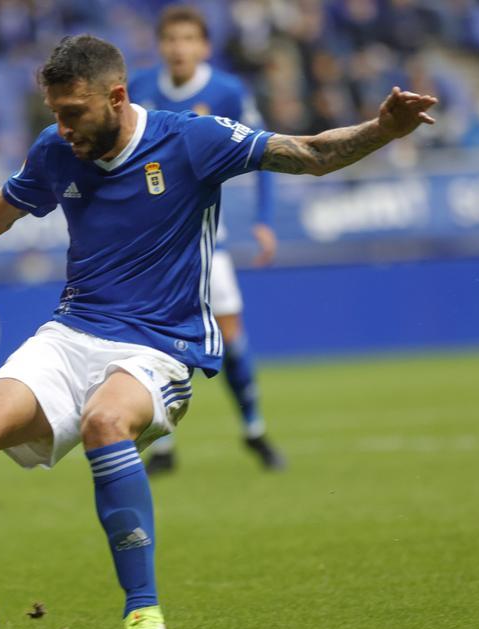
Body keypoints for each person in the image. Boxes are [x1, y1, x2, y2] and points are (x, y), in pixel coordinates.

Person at [0, 35, 436, 629]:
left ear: (117, 95)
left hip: (161, 345)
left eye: (73, 113)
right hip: (73, 332)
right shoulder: (55, 150)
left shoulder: (191, 140)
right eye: (56, 115)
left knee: (105, 421)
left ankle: (143, 613)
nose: (64, 128)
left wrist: (381, 129)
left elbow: (310, 153)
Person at [129, 5, 285, 474]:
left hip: (206, 239)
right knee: (150, 342)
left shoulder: (227, 92)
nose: (178, 48)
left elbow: (267, 152)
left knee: (230, 336)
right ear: (161, 46)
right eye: (171, 40)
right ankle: (161, 447)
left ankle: (253, 429)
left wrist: (264, 219)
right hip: (151, 244)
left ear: (204, 47)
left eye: (187, 40)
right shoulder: (138, 90)